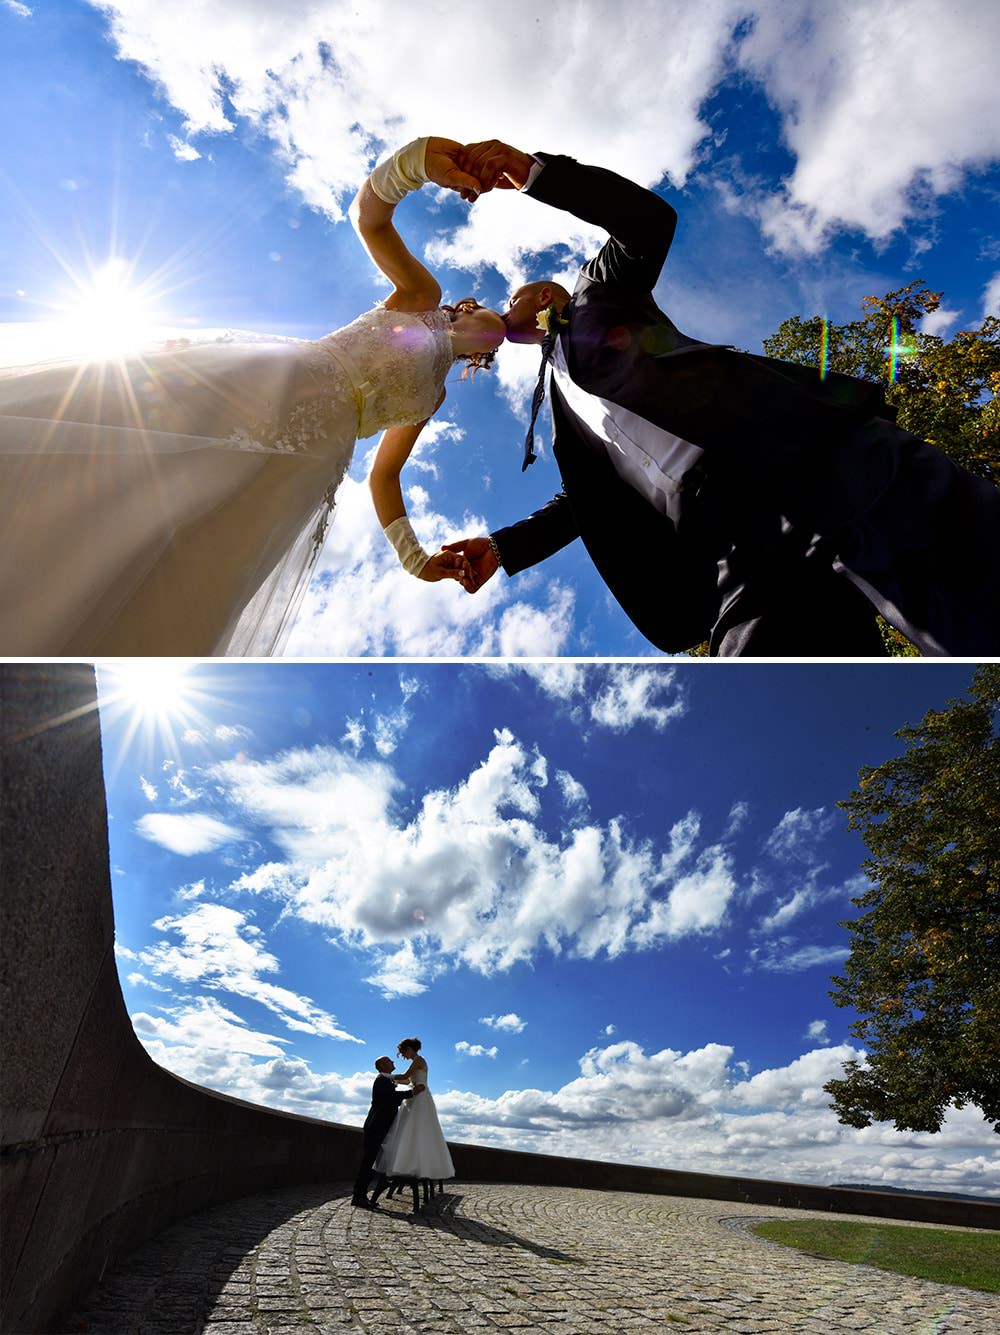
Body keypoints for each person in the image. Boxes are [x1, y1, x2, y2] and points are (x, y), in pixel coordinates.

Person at [443, 140, 1000, 657]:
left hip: (809, 461)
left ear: (543, 295)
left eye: (504, 298)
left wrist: (536, 174)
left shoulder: (598, 293)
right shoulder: (559, 414)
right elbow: (584, 501)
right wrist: (504, 548)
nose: (486, 312)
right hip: (731, 550)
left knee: (971, 600)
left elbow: (647, 221)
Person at [0, 137, 506, 655]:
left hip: (308, 463)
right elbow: (369, 219)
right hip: (282, 384)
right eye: (502, 311)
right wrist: (415, 162)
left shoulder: (435, 397)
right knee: (130, 467)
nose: (507, 323)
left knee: (189, 559)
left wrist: (414, 558)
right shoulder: (421, 296)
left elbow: (384, 474)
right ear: (470, 309)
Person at [371, 1037, 454, 1208]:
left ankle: (411, 1166)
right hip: (416, 1095)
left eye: (403, 1052)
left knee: (417, 1130)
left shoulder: (418, 1060)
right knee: (410, 1131)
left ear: (410, 1049)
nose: (403, 1056)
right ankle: (408, 1164)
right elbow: (408, 1082)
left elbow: (406, 1076)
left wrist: (386, 1076)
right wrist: (394, 1081)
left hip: (420, 1098)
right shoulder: (417, 1061)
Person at [351, 1055, 425, 1209]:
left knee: (371, 1161)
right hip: (376, 1126)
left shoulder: (386, 1080)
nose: (393, 1062)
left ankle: (362, 1195)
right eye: (390, 1061)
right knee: (368, 1162)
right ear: (383, 1065)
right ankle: (358, 1196)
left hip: (379, 1127)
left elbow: (392, 1098)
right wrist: (412, 1092)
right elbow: (389, 1098)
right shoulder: (381, 1080)